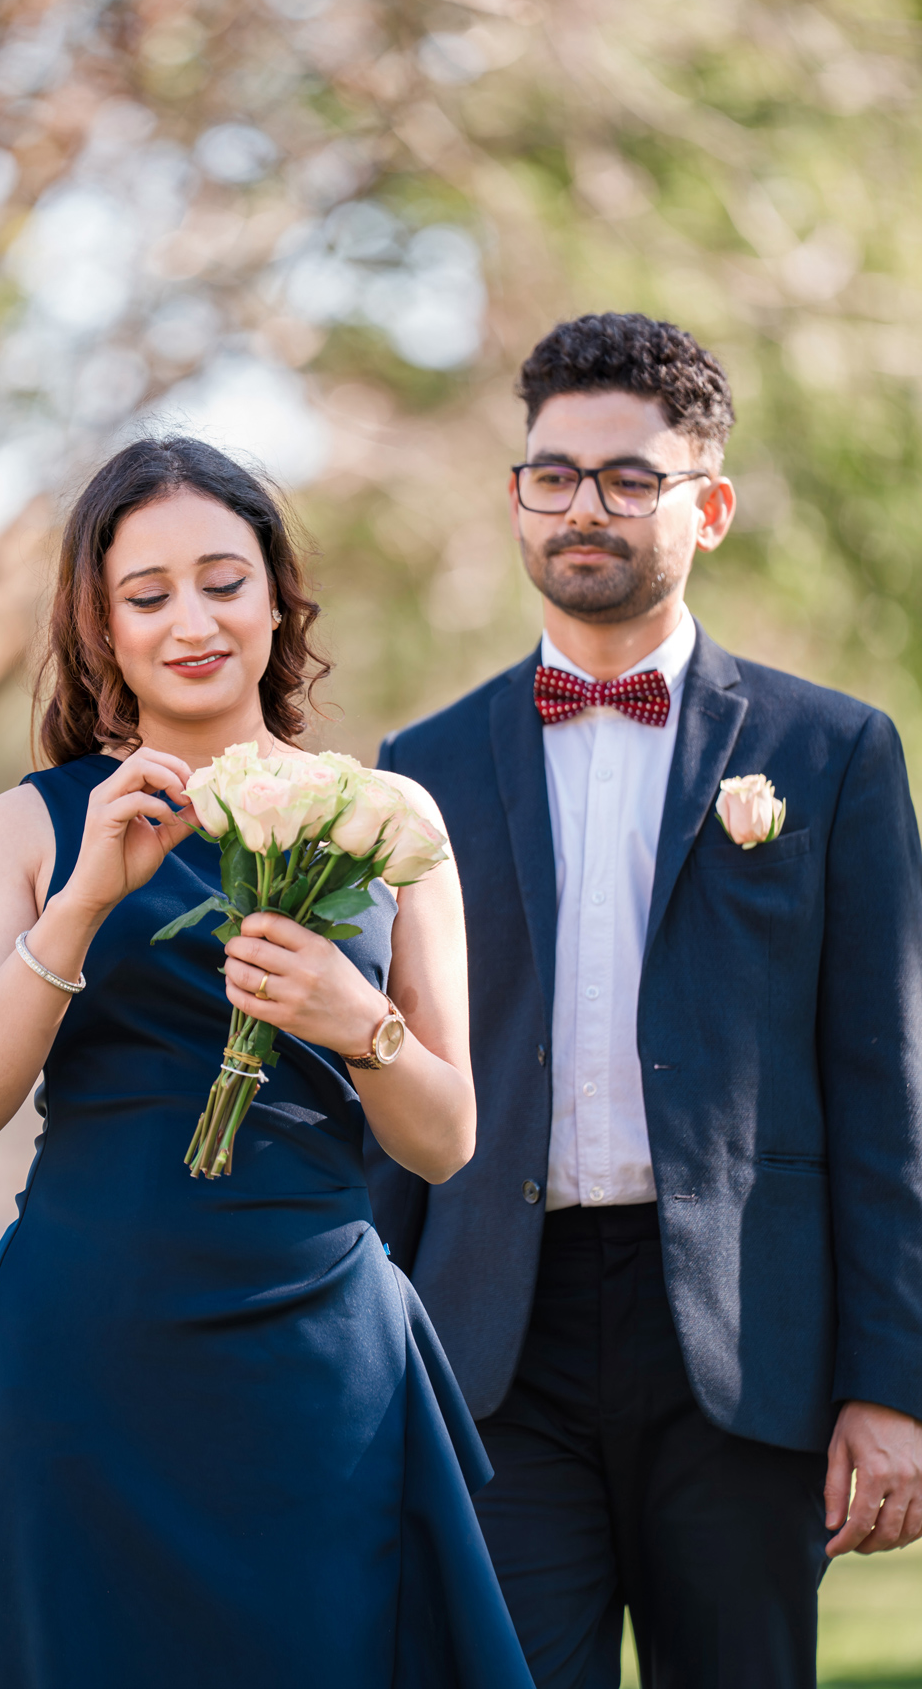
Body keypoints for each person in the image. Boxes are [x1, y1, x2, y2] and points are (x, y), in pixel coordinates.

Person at [0, 436, 533, 1689]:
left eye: (223, 581)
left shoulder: (389, 820)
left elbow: (447, 1137)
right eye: (147, 596)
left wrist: (359, 1022)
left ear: (277, 599)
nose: (191, 621)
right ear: (101, 630)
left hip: (316, 1358)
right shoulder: (28, 825)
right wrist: (79, 906)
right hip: (91, 1353)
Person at [371, 313, 922, 1689]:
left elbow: (885, 1086)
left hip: (745, 1347)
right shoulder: (418, 764)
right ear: (517, 498)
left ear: (709, 507)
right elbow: (398, 1076)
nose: (584, 508)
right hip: (497, 1338)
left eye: (629, 478)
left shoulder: (835, 753)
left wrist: (895, 1384)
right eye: (553, 475)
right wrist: (365, 1358)